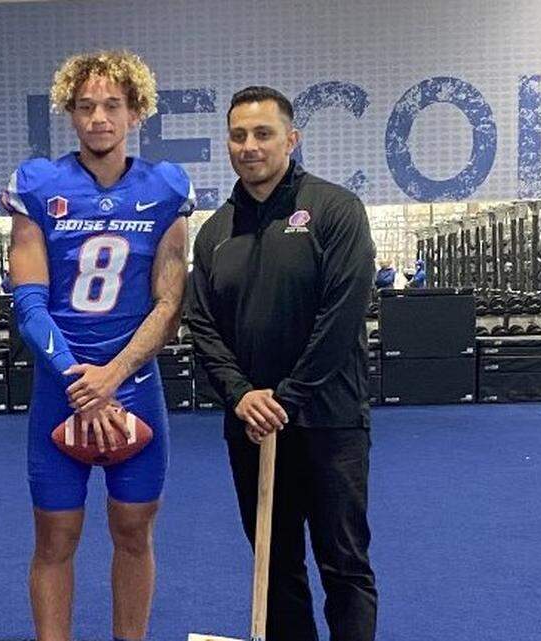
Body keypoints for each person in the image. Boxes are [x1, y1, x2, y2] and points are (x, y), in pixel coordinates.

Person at [1, 50, 193, 641]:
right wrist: (79, 380)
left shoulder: (165, 188)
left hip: (132, 386)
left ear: (136, 112)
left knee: (134, 532)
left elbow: (170, 305)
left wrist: (111, 377)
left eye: (112, 105)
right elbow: (27, 302)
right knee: (55, 537)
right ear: (71, 113)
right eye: (86, 107)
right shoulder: (39, 184)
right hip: (63, 388)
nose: (99, 118)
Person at [186, 86, 378, 641]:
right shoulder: (216, 231)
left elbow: (341, 320)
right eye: (239, 135)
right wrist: (242, 395)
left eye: (263, 134)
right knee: (275, 566)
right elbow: (203, 326)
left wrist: (286, 399)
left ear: (291, 139)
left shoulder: (335, 210)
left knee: (343, 565)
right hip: (249, 427)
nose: (250, 146)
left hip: (328, 422)